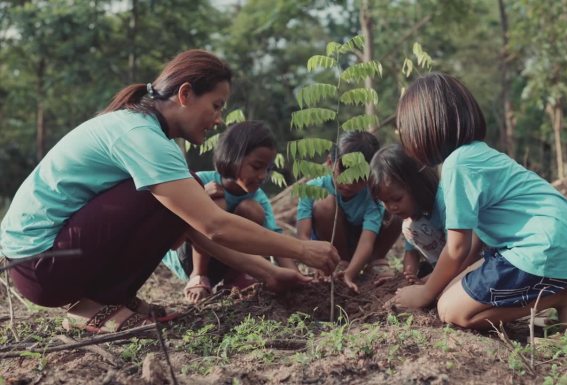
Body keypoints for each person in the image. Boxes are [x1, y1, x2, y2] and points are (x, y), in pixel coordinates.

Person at [0, 49, 339, 334]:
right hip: (42, 267)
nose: (219, 119)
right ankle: (92, 306)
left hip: (46, 264)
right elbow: (214, 225)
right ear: (185, 94)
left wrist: (269, 272)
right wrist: (302, 249)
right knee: (184, 189)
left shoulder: (144, 131)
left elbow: (193, 227)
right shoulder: (140, 135)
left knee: (181, 196)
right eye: (217, 105)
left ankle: (105, 297)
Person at [392, 72, 567, 331]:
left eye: (407, 131)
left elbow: (457, 248)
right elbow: (474, 242)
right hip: (564, 238)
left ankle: (565, 294)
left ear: (426, 126)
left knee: (450, 310)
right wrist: (437, 282)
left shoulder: (458, 164)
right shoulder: (476, 155)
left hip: (541, 246)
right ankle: (566, 295)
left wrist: (426, 293)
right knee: (450, 292)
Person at [163, 120, 299, 303]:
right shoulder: (201, 180)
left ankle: (234, 278)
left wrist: (296, 276)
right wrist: (202, 195)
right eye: (256, 167)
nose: (262, 176)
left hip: (227, 261)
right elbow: (170, 214)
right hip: (187, 256)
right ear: (233, 159)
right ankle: (199, 275)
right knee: (216, 204)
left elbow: (276, 240)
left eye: (267, 169)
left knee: (251, 210)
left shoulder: (258, 197)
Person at [296, 131, 401, 293]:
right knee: (324, 205)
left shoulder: (371, 197)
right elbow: (303, 235)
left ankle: (375, 261)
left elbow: (367, 241)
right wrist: (314, 261)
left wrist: (350, 274)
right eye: (344, 174)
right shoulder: (313, 189)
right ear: (330, 163)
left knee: (396, 209)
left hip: (363, 247)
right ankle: (340, 262)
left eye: (359, 178)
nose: (350, 183)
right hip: (330, 249)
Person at [369, 144, 445, 284]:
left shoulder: (444, 205)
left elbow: (459, 250)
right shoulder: (412, 223)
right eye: (385, 202)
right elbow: (411, 253)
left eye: (397, 199)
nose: (392, 207)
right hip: (442, 269)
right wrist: (408, 278)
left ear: (416, 184)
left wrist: (426, 283)